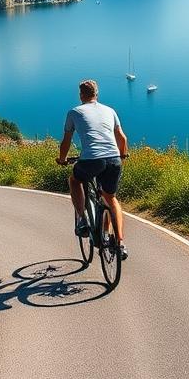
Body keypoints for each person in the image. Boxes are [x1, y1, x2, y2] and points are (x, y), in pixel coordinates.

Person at [57, 79, 129, 260]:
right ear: (97, 94)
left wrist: (63, 159)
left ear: (81, 95)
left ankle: (82, 220)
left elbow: (66, 141)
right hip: (113, 159)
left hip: (91, 161)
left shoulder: (74, 112)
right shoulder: (110, 110)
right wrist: (122, 157)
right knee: (110, 198)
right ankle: (119, 243)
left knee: (74, 180)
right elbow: (122, 138)